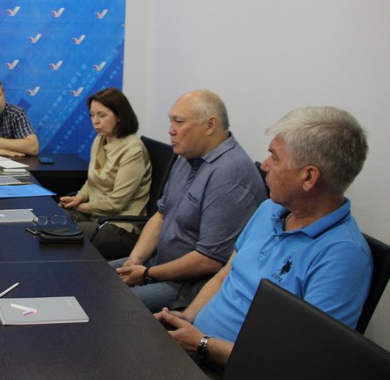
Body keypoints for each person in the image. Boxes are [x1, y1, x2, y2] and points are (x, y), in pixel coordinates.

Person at [154, 106, 371, 372]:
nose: (265, 166)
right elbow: (226, 274)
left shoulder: (343, 256)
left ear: (308, 177)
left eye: (274, 158)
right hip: (195, 346)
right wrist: (187, 319)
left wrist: (202, 344)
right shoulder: (270, 209)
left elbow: (303, 363)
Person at [112, 90, 266, 312]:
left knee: (110, 304)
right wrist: (136, 259)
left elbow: (207, 261)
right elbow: (161, 214)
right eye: (171, 120)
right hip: (155, 264)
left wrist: (146, 274)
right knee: (91, 277)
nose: (170, 129)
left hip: (186, 285)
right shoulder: (187, 155)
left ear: (210, 125)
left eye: (179, 121)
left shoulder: (230, 174)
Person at [59, 88, 151, 259]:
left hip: (120, 226)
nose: (95, 121)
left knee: (63, 237)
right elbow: (92, 180)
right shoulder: (99, 140)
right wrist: (79, 197)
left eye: (102, 115)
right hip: (97, 216)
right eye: (92, 115)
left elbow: (116, 204)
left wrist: (80, 207)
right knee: (54, 219)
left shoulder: (133, 150)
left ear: (119, 116)